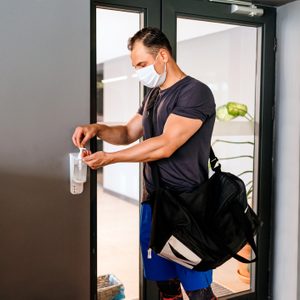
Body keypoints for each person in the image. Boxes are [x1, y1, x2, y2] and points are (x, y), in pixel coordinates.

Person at [72, 27, 217, 300]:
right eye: (135, 66)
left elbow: (165, 144)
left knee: (198, 291)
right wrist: (97, 128)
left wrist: (110, 159)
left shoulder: (195, 92)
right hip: (154, 204)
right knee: (166, 285)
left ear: (162, 55)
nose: (138, 71)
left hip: (188, 209)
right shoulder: (153, 95)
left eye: (142, 64)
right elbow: (128, 132)